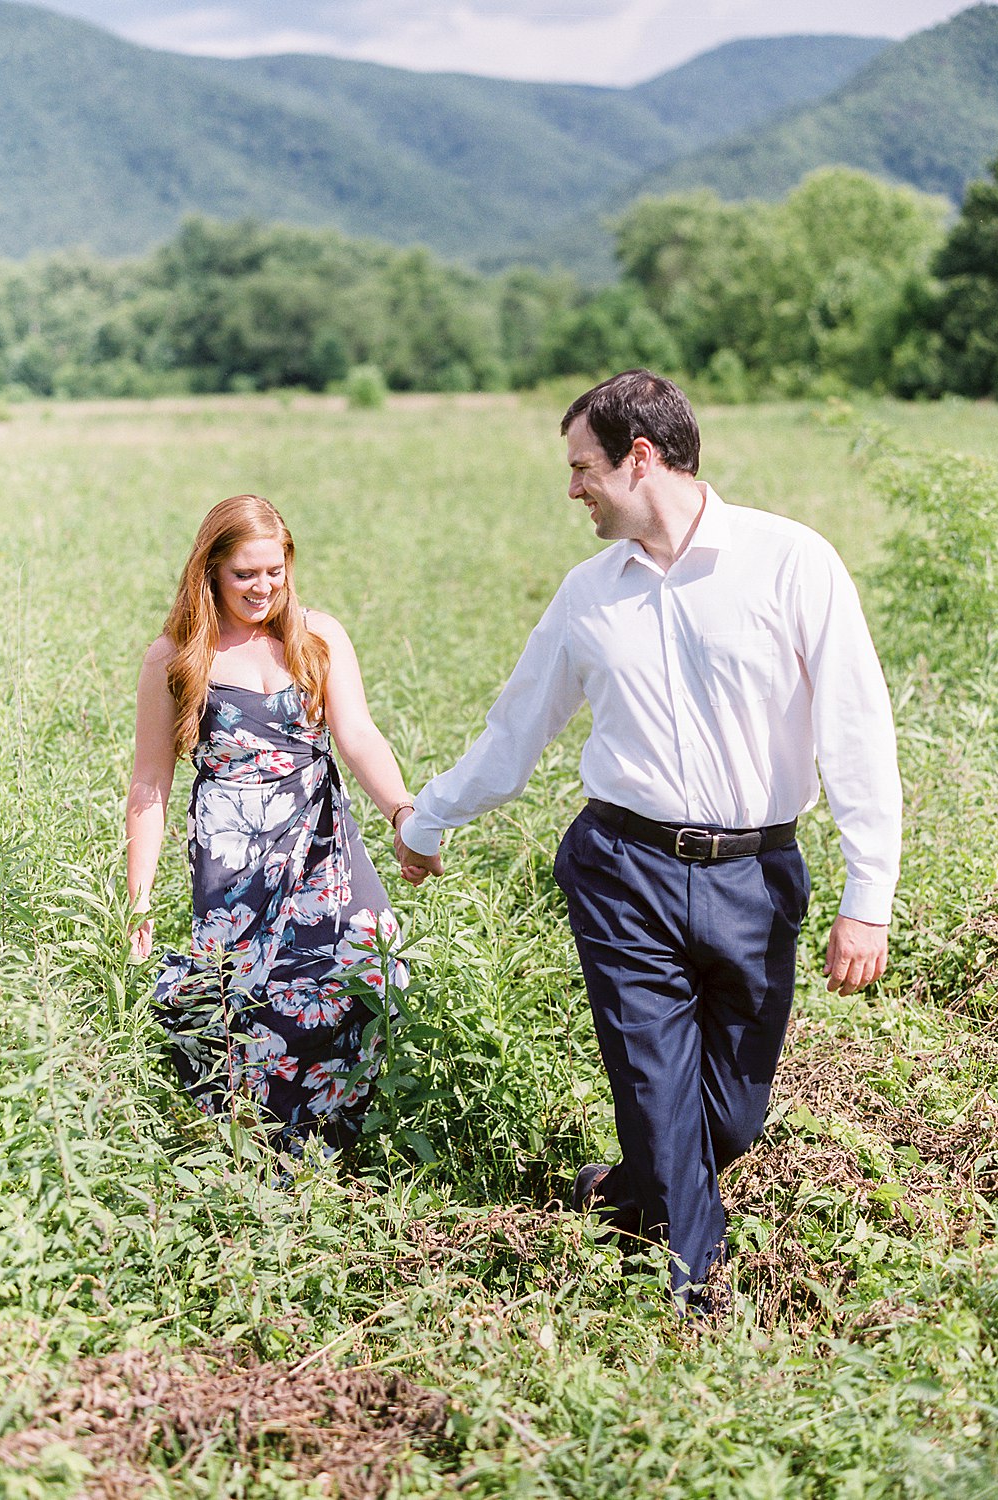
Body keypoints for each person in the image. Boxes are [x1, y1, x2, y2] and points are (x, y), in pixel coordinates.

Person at [395, 370, 901, 1309]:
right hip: (622, 870)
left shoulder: (791, 561)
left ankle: (624, 1194)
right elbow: (516, 733)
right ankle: (692, 1298)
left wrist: (866, 898)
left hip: (756, 875)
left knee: (734, 1113)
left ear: (641, 457)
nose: (573, 489)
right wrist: (426, 822)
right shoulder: (589, 596)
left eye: (584, 467)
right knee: (657, 1093)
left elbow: (858, 730)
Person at [126, 494, 413, 1155]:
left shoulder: (317, 636)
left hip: (322, 838)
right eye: (244, 575)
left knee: (373, 970)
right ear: (210, 572)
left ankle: (338, 1138)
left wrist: (402, 809)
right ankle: (257, 1152)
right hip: (233, 857)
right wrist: (137, 897)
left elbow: (359, 735)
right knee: (249, 1000)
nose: (262, 589)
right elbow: (151, 781)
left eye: (273, 573)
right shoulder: (173, 657)